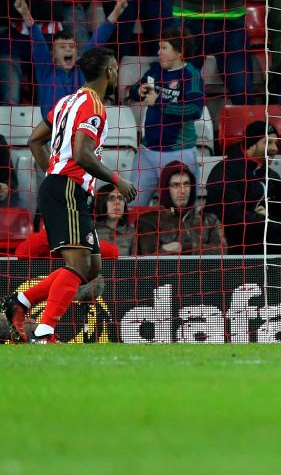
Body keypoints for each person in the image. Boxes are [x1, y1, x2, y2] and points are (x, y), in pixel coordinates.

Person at [2, 47, 138, 344]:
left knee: (92, 267)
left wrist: (53, 171)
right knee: (78, 265)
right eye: (115, 69)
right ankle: (45, 332)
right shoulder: (94, 106)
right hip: (67, 189)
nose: (117, 74)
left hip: (63, 187)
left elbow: (34, 139)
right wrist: (118, 180)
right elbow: (81, 153)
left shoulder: (66, 101)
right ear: (109, 72)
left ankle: (21, 301)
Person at [129, 28, 205, 206]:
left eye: (164, 48)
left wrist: (159, 102)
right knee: (132, 206)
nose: (159, 52)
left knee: (182, 209)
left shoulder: (191, 75)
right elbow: (134, 91)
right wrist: (138, 90)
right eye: (159, 47)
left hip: (179, 153)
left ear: (179, 52)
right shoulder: (155, 70)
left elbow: (194, 110)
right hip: (148, 151)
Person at [208, 121, 281, 254]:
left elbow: (280, 213)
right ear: (252, 144)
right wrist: (274, 223)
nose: (275, 148)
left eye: (276, 143)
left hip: (268, 249)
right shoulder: (224, 171)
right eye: (268, 142)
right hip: (233, 251)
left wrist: (271, 218)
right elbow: (233, 218)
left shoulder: (273, 176)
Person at [139, 161, 224, 255]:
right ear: (166, 189)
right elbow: (149, 257)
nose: (182, 191)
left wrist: (182, 248)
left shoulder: (210, 220)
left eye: (186, 184)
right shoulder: (147, 221)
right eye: (176, 185)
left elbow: (222, 251)